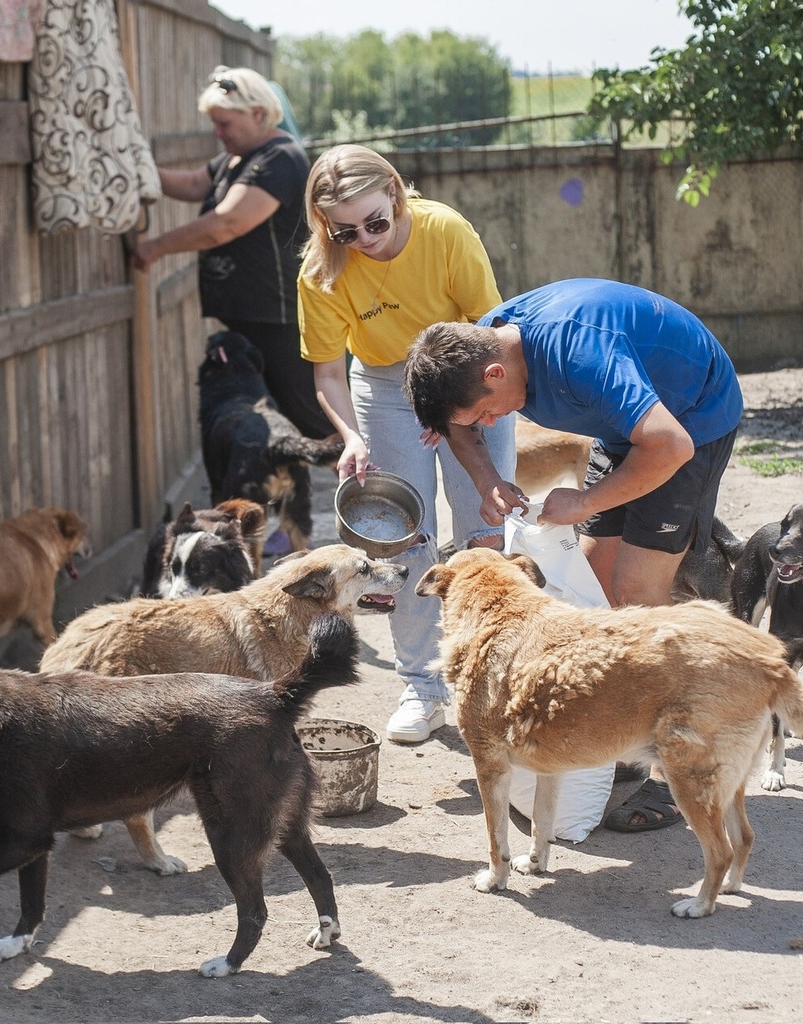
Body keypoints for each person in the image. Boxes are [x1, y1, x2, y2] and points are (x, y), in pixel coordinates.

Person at [403, 277, 744, 829]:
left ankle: (679, 761)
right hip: (627, 428)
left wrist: (585, 501)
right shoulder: (476, 350)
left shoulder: (582, 355)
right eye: (480, 422)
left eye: (486, 413)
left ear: (496, 375)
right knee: (593, 586)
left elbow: (670, 445)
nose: (489, 425)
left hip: (689, 420)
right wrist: (487, 478)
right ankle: (629, 732)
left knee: (637, 592)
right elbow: (456, 426)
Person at [297, 144, 516, 744]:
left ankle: (495, 673)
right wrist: (351, 437)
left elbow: (493, 330)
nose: (364, 241)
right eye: (345, 232)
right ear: (324, 226)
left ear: (394, 195)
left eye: (375, 223)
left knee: (487, 529)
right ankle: (423, 683)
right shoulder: (321, 272)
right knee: (405, 536)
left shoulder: (444, 230)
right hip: (384, 384)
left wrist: (449, 403)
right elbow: (327, 374)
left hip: (465, 371)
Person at [132, 66, 330, 443]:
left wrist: (155, 247)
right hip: (251, 316)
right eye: (214, 124)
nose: (217, 133)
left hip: (278, 317)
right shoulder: (238, 157)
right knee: (275, 426)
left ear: (257, 114)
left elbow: (227, 223)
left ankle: (358, 477)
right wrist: (138, 170)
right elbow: (194, 183)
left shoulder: (280, 157)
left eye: (224, 124)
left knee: (311, 421)